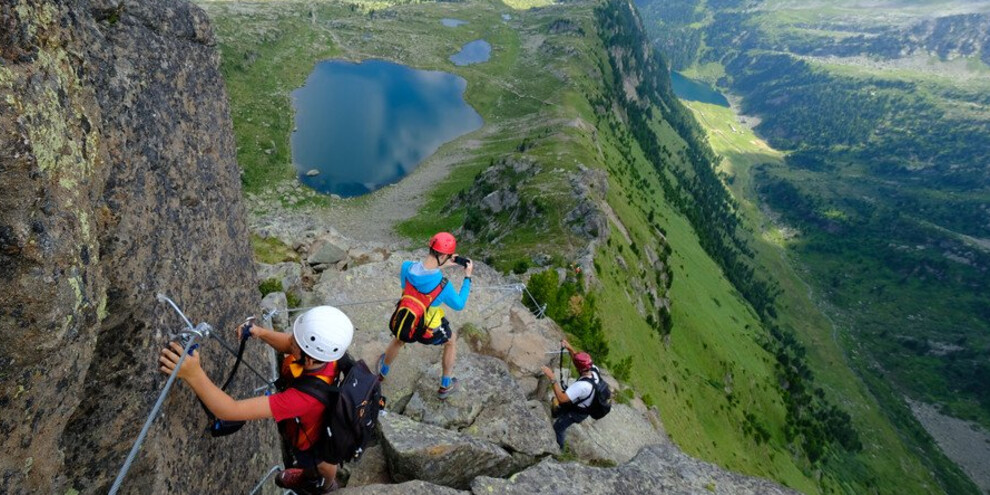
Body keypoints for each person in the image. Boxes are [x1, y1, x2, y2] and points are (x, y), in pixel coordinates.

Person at [158, 306, 354, 494]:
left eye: (295, 341)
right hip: (324, 421)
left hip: (312, 441)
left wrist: (193, 374)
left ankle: (323, 487)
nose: (290, 340)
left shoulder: (301, 399)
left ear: (309, 359)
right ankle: (321, 481)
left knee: (318, 462)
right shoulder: (328, 357)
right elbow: (289, 344)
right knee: (324, 459)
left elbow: (230, 410)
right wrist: (260, 332)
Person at [378, 232, 473, 399]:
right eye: (448, 255)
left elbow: (409, 285)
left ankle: (382, 372)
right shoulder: (443, 285)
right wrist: (467, 277)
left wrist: (442, 265)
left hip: (407, 320)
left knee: (399, 338)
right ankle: (445, 385)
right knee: (451, 341)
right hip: (428, 330)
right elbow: (459, 304)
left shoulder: (406, 267)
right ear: (444, 255)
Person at [541, 338, 600, 449]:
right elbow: (578, 361)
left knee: (558, 427)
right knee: (560, 406)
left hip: (578, 412)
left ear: (579, 369)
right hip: (583, 403)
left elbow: (562, 398)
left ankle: (559, 450)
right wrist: (569, 347)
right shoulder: (593, 369)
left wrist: (552, 377)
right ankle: (557, 413)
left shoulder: (582, 386)